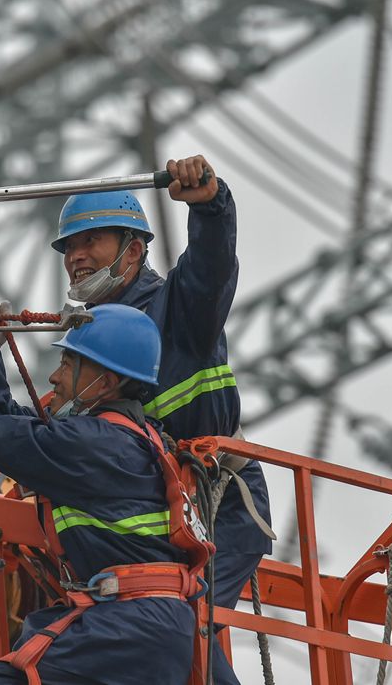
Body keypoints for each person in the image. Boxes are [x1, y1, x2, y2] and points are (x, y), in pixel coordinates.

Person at [51, 155, 274, 684]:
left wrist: (210, 206)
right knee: (130, 630)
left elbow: (211, 270)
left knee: (174, 622)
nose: (76, 257)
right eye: (69, 247)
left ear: (133, 250)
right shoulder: (88, 340)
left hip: (219, 507)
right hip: (152, 517)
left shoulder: (177, 310)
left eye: (90, 243)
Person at [0, 294, 211, 685]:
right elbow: (13, 431)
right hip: (142, 624)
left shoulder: (96, 445)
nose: (54, 377)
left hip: (129, 625)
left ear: (107, 382)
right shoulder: (128, 440)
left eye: (68, 364)